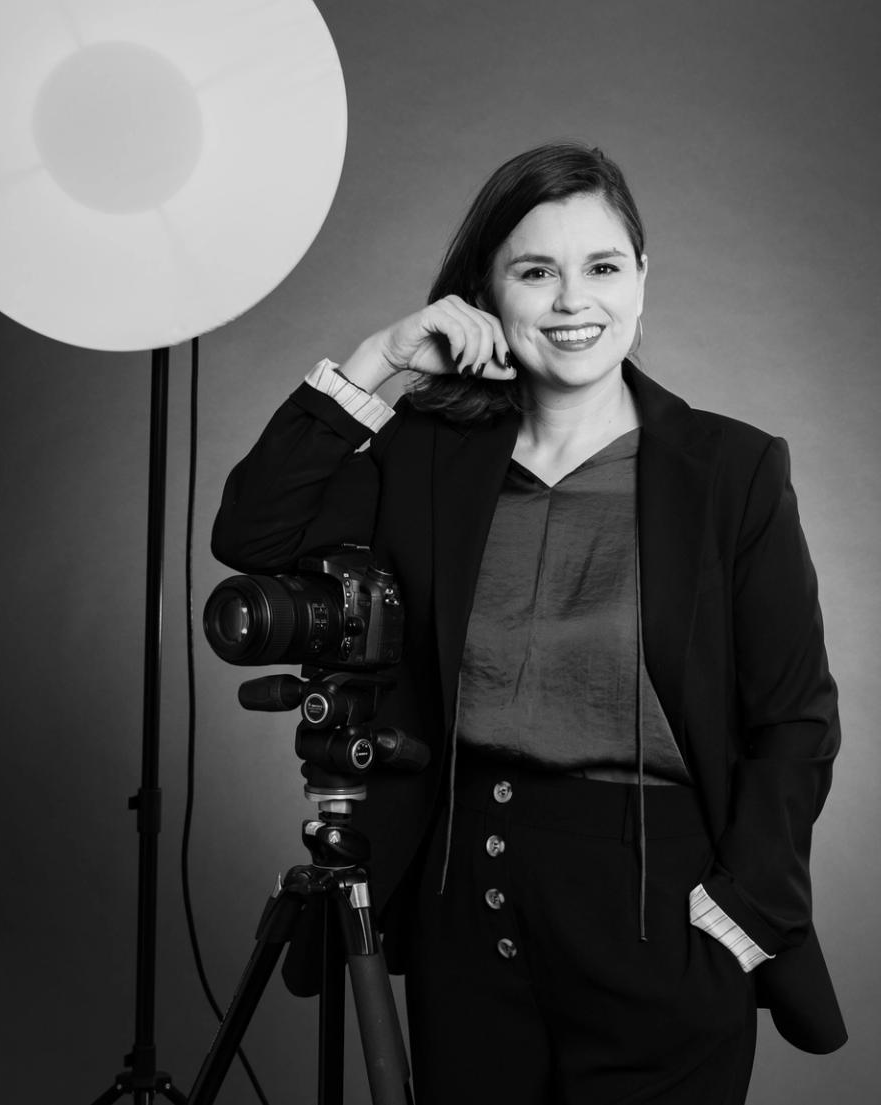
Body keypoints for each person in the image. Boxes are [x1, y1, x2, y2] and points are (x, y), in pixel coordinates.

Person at [212, 141, 844, 1104]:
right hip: (468, 894)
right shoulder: (429, 454)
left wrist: (741, 914)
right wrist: (381, 362)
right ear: (488, 295)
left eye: (602, 267)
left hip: (658, 913)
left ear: (643, 282)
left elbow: (794, 717)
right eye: (536, 271)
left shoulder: (731, 472)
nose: (572, 301)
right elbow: (254, 530)